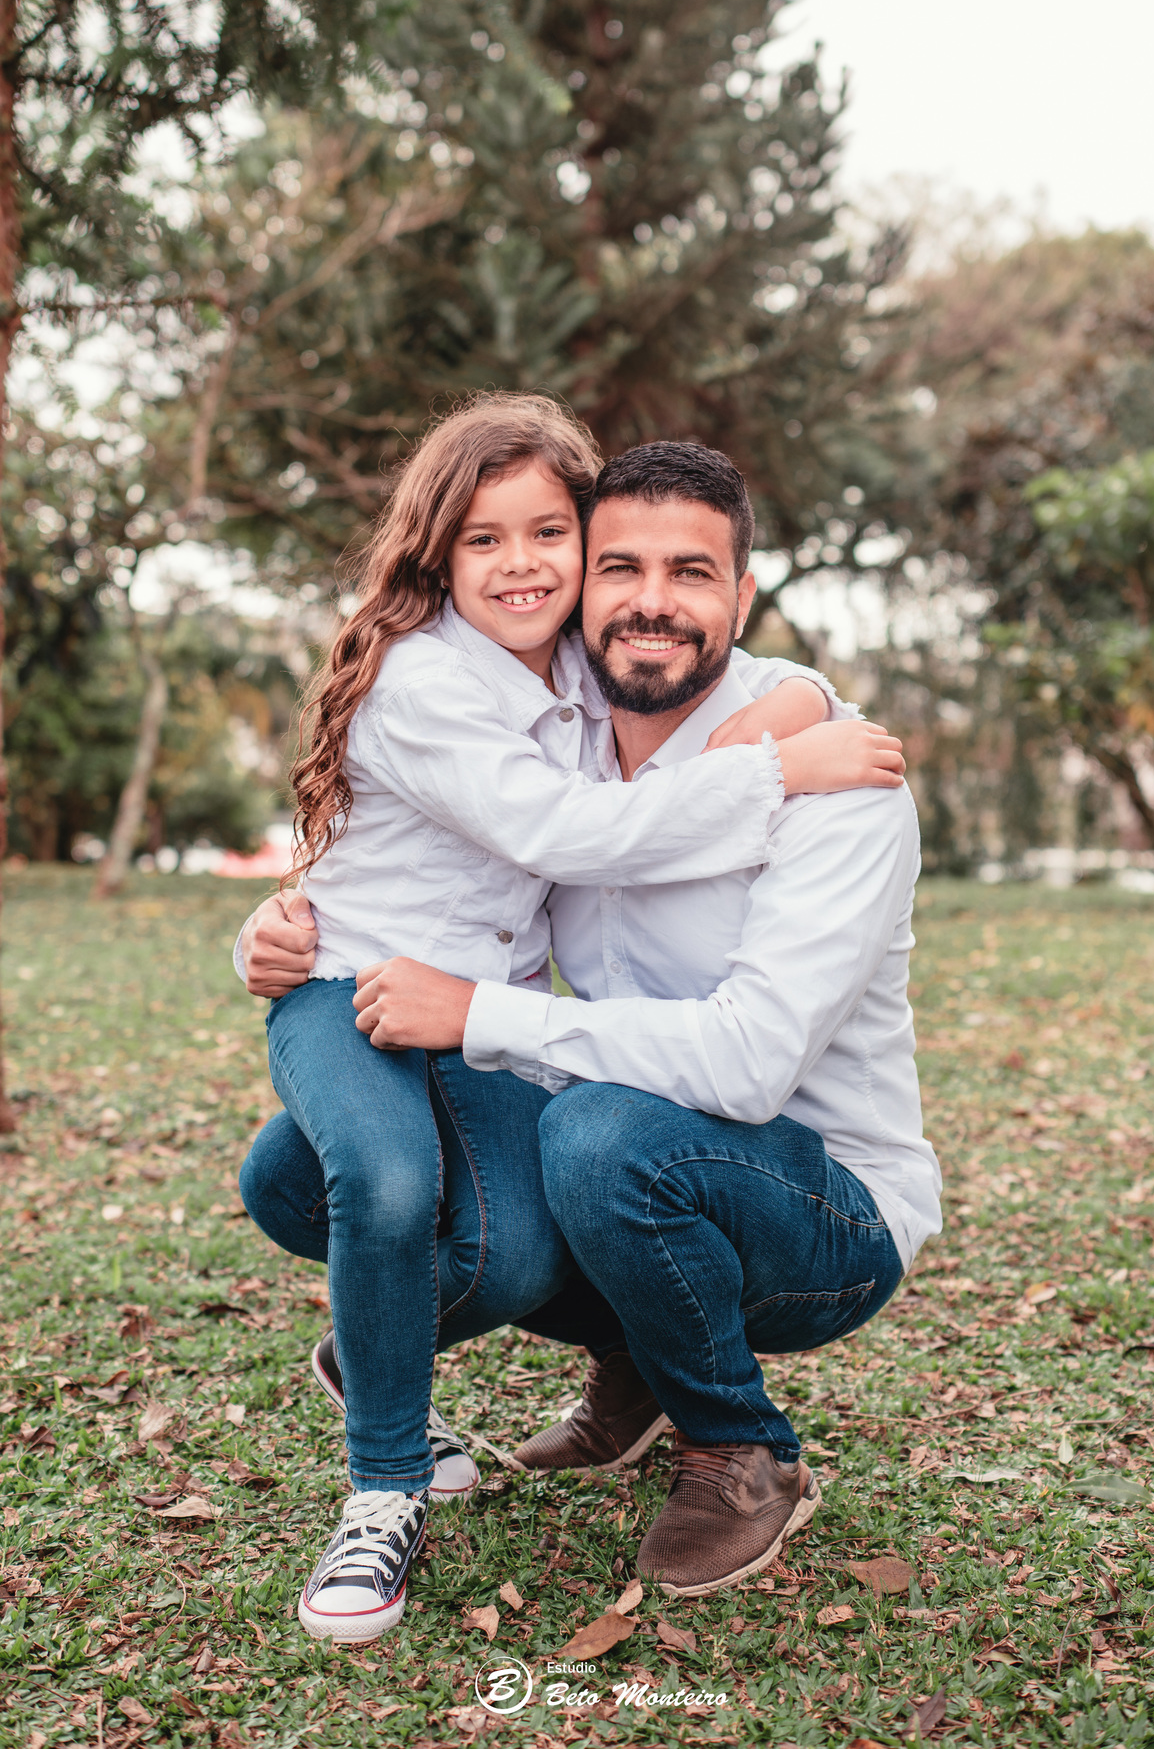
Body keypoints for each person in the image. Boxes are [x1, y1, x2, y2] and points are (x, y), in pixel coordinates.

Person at [235, 395, 906, 1643]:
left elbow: (746, 1062)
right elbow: (495, 836)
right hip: (397, 1016)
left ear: (743, 596)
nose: (649, 600)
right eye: (620, 566)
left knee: (586, 1145)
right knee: (306, 1175)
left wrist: (791, 728)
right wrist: (273, 928)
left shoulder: (822, 777)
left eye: (690, 573)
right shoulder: (537, 716)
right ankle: (468, 1382)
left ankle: (737, 1445)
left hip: (821, 1203)